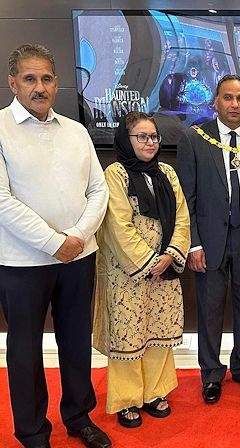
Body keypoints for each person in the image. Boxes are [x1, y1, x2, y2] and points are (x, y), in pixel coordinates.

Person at [0, 43, 111, 448]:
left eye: (46, 78)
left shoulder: (76, 131)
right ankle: (32, 432)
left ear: (56, 82)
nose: (39, 87)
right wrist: (52, 242)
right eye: (29, 78)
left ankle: (78, 417)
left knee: (77, 341)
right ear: (13, 82)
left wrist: (77, 237)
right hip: (21, 263)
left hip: (79, 257)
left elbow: (98, 190)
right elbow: (1, 201)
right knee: (25, 351)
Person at [92, 112, 191, 428]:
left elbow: (182, 217)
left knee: (159, 333)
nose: (150, 142)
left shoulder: (167, 173)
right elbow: (118, 224)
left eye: (153, 136)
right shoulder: (116, 174)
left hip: (165, 271)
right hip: (128, 275)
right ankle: (127, 399)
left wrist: (170, 255)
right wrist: (149, 261)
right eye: (142, 137)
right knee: (130, 336)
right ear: (126, 139)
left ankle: (154, 392)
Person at [177, 74, 240, 404]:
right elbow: (186, 197)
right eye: (228, 98)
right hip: (211, 238)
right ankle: (211, 374)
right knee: (210, 308)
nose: (235, 104)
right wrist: (194, 243)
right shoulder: (194, 138)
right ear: (215, 101)